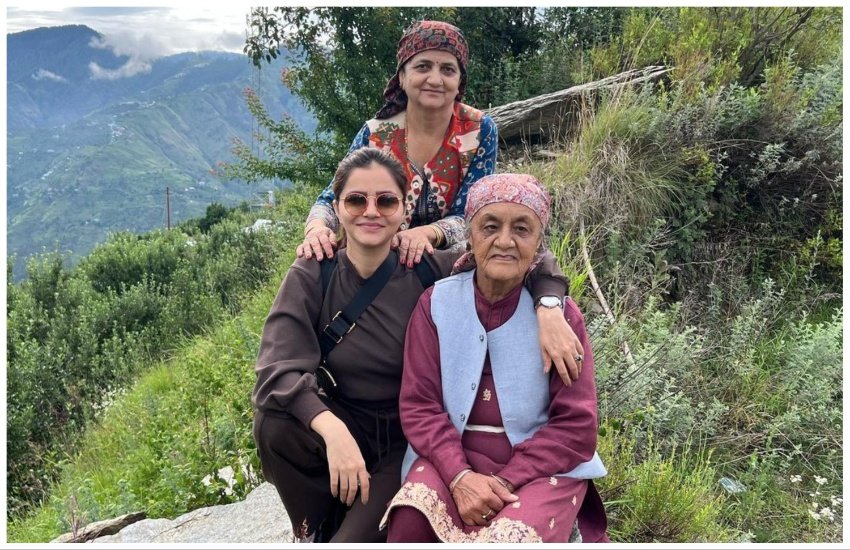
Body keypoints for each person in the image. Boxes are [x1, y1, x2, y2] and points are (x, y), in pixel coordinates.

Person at [252, 149, 584, 543]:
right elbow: (275, 372)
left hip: (400, 440)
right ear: (337, 208)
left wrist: (548, 305)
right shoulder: (315, 271)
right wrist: (333, 431)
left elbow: (516, 252)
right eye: (356, 199)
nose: (370, 211)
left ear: (403, 209)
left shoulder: (428, 267)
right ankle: (315, 527)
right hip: (342, 420)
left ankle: (350, 525)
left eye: (386, 200)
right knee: (275, 426)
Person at [382, 173, 609, 543]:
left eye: (522, 228)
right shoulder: (435, 305)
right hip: (450, 460)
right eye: (490, 226)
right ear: (471, 236)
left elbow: (576, 428)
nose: (505, 241)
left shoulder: (561, 319)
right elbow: (420, 406)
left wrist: (504, 481)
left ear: (538, 243)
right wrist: (460, 477)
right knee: (411, 522)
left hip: (541, 469)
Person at [297, 20, 498, 270]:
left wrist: (429, 233)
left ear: (460, 81)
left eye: (448, 69)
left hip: (446, 263)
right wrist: (317, 229)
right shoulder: (376, 134)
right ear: (402, 77)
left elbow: (475, 212)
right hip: (378, 260)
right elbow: (332, 199)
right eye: (423, 67)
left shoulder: (479, 130)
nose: (435, 79)